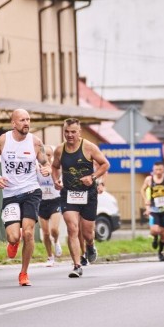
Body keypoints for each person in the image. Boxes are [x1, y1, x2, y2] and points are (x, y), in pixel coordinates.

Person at [0, 109, 50, 286]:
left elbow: (46, 162)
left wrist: (47, 169)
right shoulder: (3, 141)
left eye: (28, 119)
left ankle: (24, 273)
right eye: (22, 120)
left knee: (28, 233)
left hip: (31, 191)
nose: (26, 123)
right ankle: (13, 243)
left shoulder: (35, 142)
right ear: (14, 123)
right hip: (11, 194)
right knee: (14, 236)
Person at [52, 118, 110, 277]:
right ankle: (77, 265)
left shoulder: (89, 147)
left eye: (73, 132)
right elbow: (55, 167)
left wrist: (92, 177)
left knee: (87, 234)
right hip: (69, 194)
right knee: (72, 228)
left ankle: (90, 246)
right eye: (66, 132)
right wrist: (56, 180)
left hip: (88, 194)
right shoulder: (59, 150)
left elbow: (105, 164)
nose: (69, 135)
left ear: (79, 132)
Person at [37, 145, 63, 266]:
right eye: (44, 154)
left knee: (54, 229)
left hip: (55, 200)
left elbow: (61, 181)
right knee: (46, 233)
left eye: (49, 155)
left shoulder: (55, 168)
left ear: (52, 156)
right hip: (42, 202)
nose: (46, 157)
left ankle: (57, 241)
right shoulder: (36, 168)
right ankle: (50, 257)